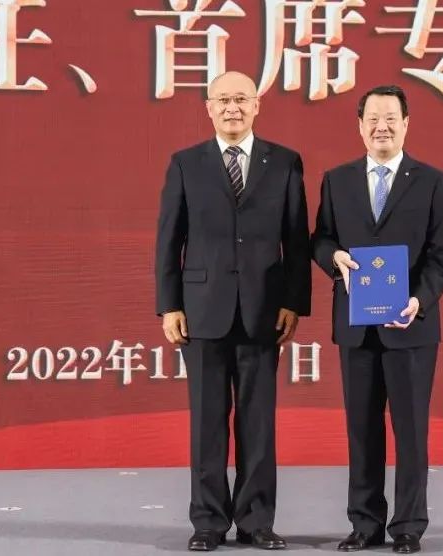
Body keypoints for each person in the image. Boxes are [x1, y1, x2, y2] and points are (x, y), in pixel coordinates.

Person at [154, 71, 311, 552]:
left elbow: (296, 239)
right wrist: (169, 305)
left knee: (257, 423)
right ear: (208, 107)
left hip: (264, 311)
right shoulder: (186, 163)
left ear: (257, 105)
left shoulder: (284, 162)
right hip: (202, 311)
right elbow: (169, 239)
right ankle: (208, 522)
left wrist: (293, 302)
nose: (232, 108)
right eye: (222, 100)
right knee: (207, 422)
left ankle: (256, 521)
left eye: (241, 99)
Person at [311, 85, 443, 554]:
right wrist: (334, 258)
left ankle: (409, 525)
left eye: (391, 118)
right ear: (359, 126)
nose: (382, 127)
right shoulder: (337, 180)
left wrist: (419, 300)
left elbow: (441, 255)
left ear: (406, 123)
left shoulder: (432, 181)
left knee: (410, 431)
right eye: (372, 118)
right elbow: (321, 239)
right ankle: (365, 523)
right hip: (356, 325)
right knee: (361, 429)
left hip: (410, 326)